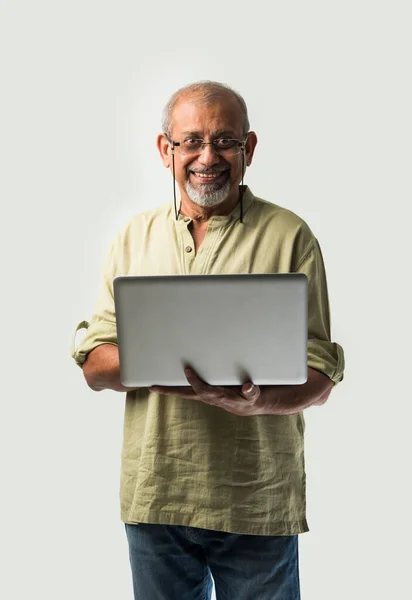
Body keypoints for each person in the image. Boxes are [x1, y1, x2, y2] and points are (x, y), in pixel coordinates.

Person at [71, 80, 345, 600]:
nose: (207, 157)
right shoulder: (133, 237)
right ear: (164, 149)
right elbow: (94, 363)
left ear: (250, 149)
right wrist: (156, 364)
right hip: (156, 495)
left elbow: (320, 375)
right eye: (191, 141)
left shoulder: (291, 235)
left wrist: (255, 401)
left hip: (257, 501)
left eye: (225, 141)